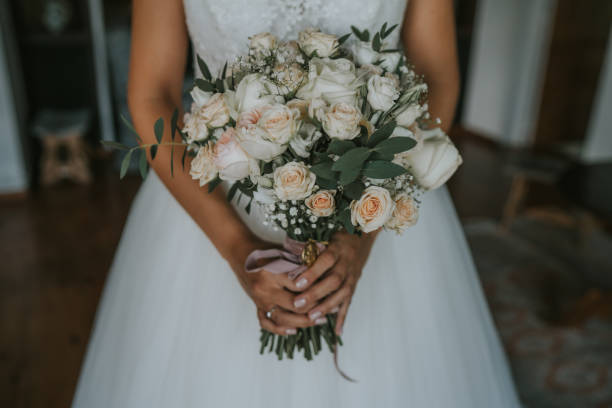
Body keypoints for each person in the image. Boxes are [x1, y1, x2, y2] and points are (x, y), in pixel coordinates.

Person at [72, 0, 521, 406]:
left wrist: (362, 233)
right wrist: (238, 250)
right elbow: (153, 94)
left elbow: (437, 77)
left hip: (378, 188)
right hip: (214, 197)